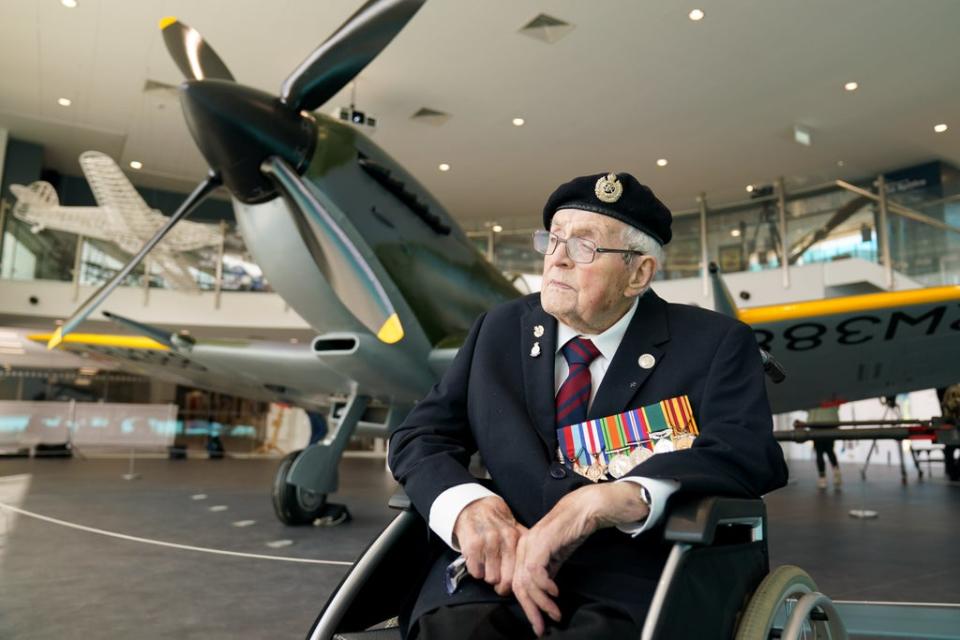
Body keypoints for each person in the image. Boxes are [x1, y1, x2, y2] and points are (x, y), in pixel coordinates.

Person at [389, 172, 789, 639]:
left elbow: (748, 452)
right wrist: (467, 505)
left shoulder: (714, 343)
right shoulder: (498, 330)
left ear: (638, 273)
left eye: (584, 247)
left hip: (639, 572)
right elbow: (420, 434)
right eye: (553, 239)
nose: (556, 259)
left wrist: (614, 497)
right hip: (498, 566)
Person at [806, 406, 842, 489]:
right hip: (830, 421)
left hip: (816, 423)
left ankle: (822, 477)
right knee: (829, 450)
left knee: (820, 452)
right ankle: (836, 472)